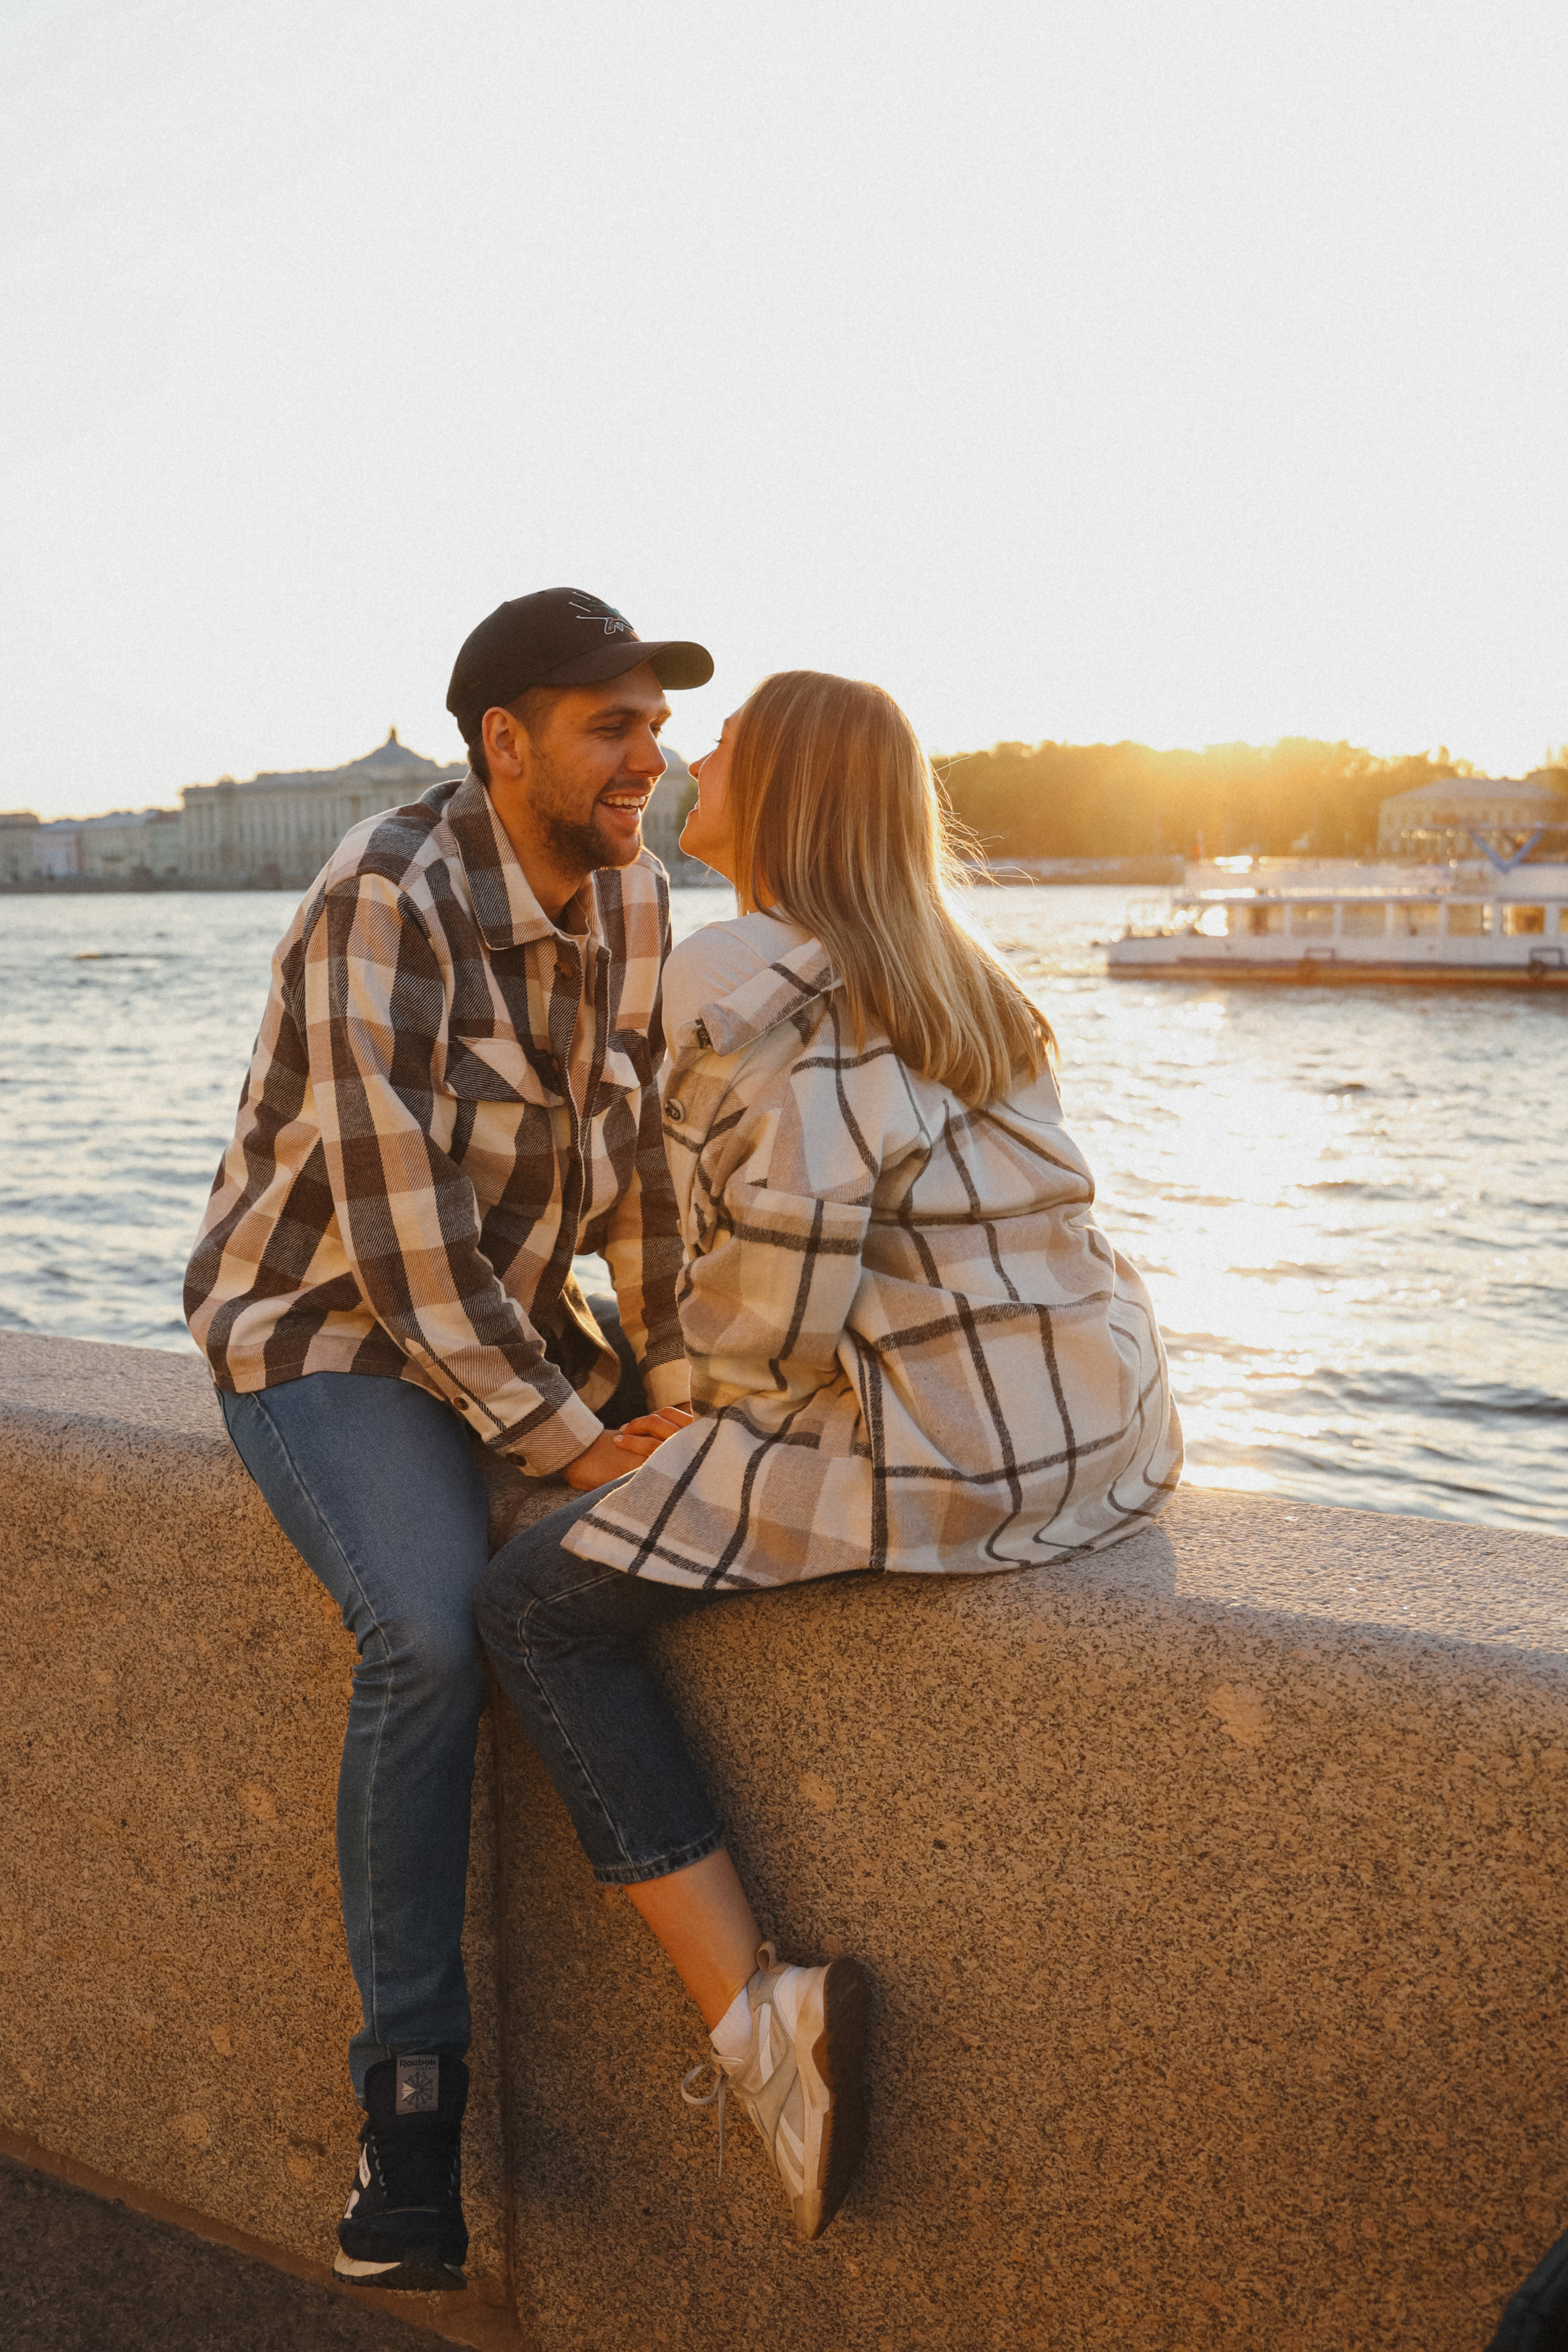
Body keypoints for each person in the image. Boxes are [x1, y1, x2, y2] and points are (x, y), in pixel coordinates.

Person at [478, 668, 1183, 2244]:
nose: (688, 755)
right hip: (1092, 1420)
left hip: (940, 1450)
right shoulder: (960, 970)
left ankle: (758, 2027)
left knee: (530, 1603)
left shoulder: (745, 975)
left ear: (781, 793)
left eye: (724, 744)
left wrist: (667, 1423)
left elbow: (778, 1321)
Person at [184, 587, 712, 2293]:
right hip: (325, 1326)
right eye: (611, 726)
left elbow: (633, 1161)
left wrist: (676, 1375)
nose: (653, 756)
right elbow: (400, 1240)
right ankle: (408, 2113)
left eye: (656, 722)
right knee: (420, 1631)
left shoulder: (633, 889)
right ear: (506, 743)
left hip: (498, 1322)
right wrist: (571, 1442)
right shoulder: (384, 894)